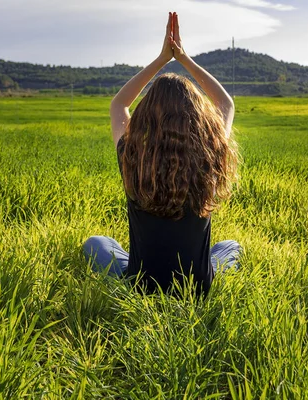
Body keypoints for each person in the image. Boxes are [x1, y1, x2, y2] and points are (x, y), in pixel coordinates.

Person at [83, 12, 241, 295]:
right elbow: (225, 104)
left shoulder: (133, 157)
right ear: (199, 117)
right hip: (198, 287)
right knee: (231, 248)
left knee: (96, 242)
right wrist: (182, 58)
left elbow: (119, 105)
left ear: (147, 116)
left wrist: (161, 59)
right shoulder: (210, 155)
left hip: (141, 285)